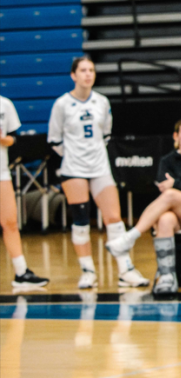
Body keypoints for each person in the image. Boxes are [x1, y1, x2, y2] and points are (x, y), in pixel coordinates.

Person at [48, 57, 149, 289]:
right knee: (82, 221)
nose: (88, 74)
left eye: (91, 70)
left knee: (114, 218)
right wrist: (74, 154)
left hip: (100, 167)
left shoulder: (102, 102)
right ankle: (87, 271)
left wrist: (92, 154)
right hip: (73, 168)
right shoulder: (62, 104)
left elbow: (106, 134)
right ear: (73, 75)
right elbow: (54, 140)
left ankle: (126, 270)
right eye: (83, 70)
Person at [106, 117, 181, 295]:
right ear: (176, 136)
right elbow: (162, 184)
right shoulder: (167, 160)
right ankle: (167, 277)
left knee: (170, 194)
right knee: (165, 219)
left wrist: (176, 185)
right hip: (175, 214)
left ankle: (131, 236)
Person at [0, 94, 50, 289]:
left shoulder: (5, 104)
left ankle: (21, 273)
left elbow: (15, 138)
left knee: (10, 221)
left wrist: (5, 140)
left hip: (1, 172)